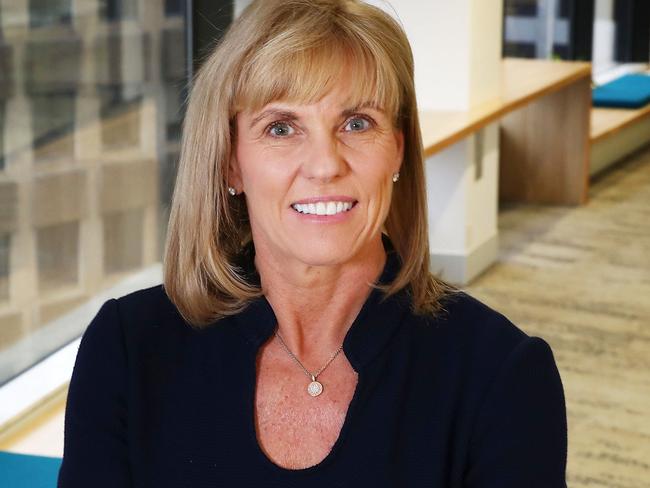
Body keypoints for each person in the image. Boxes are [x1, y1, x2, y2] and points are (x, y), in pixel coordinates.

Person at [58, 0, 568, 486]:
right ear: (231, 160)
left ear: (397, 149)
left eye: (356, 123)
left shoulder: (502, 376)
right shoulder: (128, 351)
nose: (325, 165)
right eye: (281, 128)